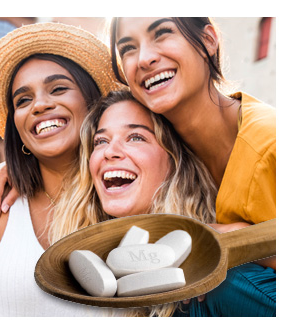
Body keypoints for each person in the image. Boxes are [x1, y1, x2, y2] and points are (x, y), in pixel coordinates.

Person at [109, 17, 276, 316]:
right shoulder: (163, 151)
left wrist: (239, 238)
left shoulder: (273, 145)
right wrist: (19, 165)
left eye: (162, 33)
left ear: (208, 41)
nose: (145, 58)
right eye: (128, 48)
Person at [0, 22, 128, 317]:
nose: (40, 105)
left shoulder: (134, 197)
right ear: (17, 127)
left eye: (58, 88)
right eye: (23, 100)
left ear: (94, 103)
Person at [50, 89, 217, 316]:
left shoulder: (221, 279)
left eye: (136, 137)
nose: (110, 151)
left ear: (176, 159)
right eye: (100, 141)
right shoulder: (78, 273)